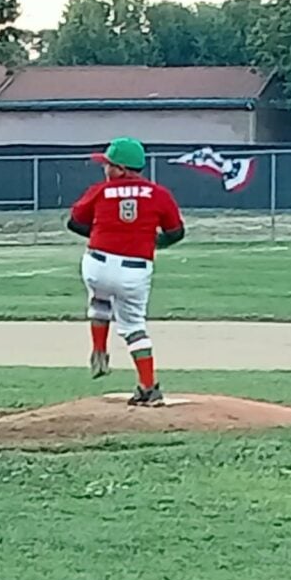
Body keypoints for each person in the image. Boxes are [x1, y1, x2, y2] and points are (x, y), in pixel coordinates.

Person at [67, 137, 186, 407]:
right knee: (133, 327)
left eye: (108, 164)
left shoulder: (100, 191)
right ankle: (147, 387)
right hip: (134, 269)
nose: (104, 169)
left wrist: (101, 232)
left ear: (121, 168)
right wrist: (152, 241)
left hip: (96, 263)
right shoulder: (158, 194)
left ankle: (99, 350)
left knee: (99, 300)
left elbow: (74, 223)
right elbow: (176, 232)